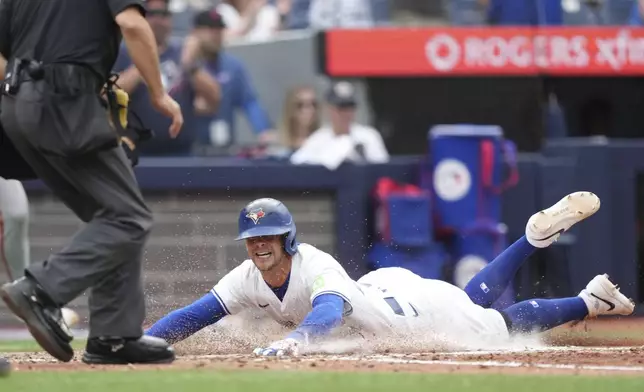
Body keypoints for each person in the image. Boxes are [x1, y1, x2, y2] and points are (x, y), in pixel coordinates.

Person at [144, 192, 635, 356]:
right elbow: (200, 312)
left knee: (499, 325)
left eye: (267, 238)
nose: (258, 247)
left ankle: (589, 301)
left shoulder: (313, 264)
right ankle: (532, 241)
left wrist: (299, 340)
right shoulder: (249, 272)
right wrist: (150, 340)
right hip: (384, 291)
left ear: (287, 240)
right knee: (472, 301)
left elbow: (330, 308)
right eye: (252, 240)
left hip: (412, 314)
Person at [0, 0, 182, 364]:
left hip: (18, 104)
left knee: (114, 210)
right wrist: (159, 94)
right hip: (64, 101)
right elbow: (132, 24)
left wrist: (27, 88)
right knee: (128, 218)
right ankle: (40, 289)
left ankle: (113, 336)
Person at [113, 0, 221, 156]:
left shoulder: (182, 52)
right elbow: (108, 95)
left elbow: (214, 99)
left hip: (182, 153)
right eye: (152, 14)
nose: (158, 20)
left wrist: (190, 64)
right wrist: (143, 63)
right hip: (137, 153)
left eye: (164, 14)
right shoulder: (125, 52)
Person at [189, 8, 274, 153]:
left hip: (223, 146)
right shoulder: (185, 66)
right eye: (210, 29)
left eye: (219, 30)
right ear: (195, 32)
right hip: (190, 148)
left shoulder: (232, 66)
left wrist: (263, 130)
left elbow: (249, 101)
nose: (216, 35)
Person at [290, 81, 389, 170]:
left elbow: (383, 169)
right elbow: (296, 164)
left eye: (350, 107)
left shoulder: (369, 136)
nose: (346, 113)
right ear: (329, 109)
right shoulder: (318, 138)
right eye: (340, 107)